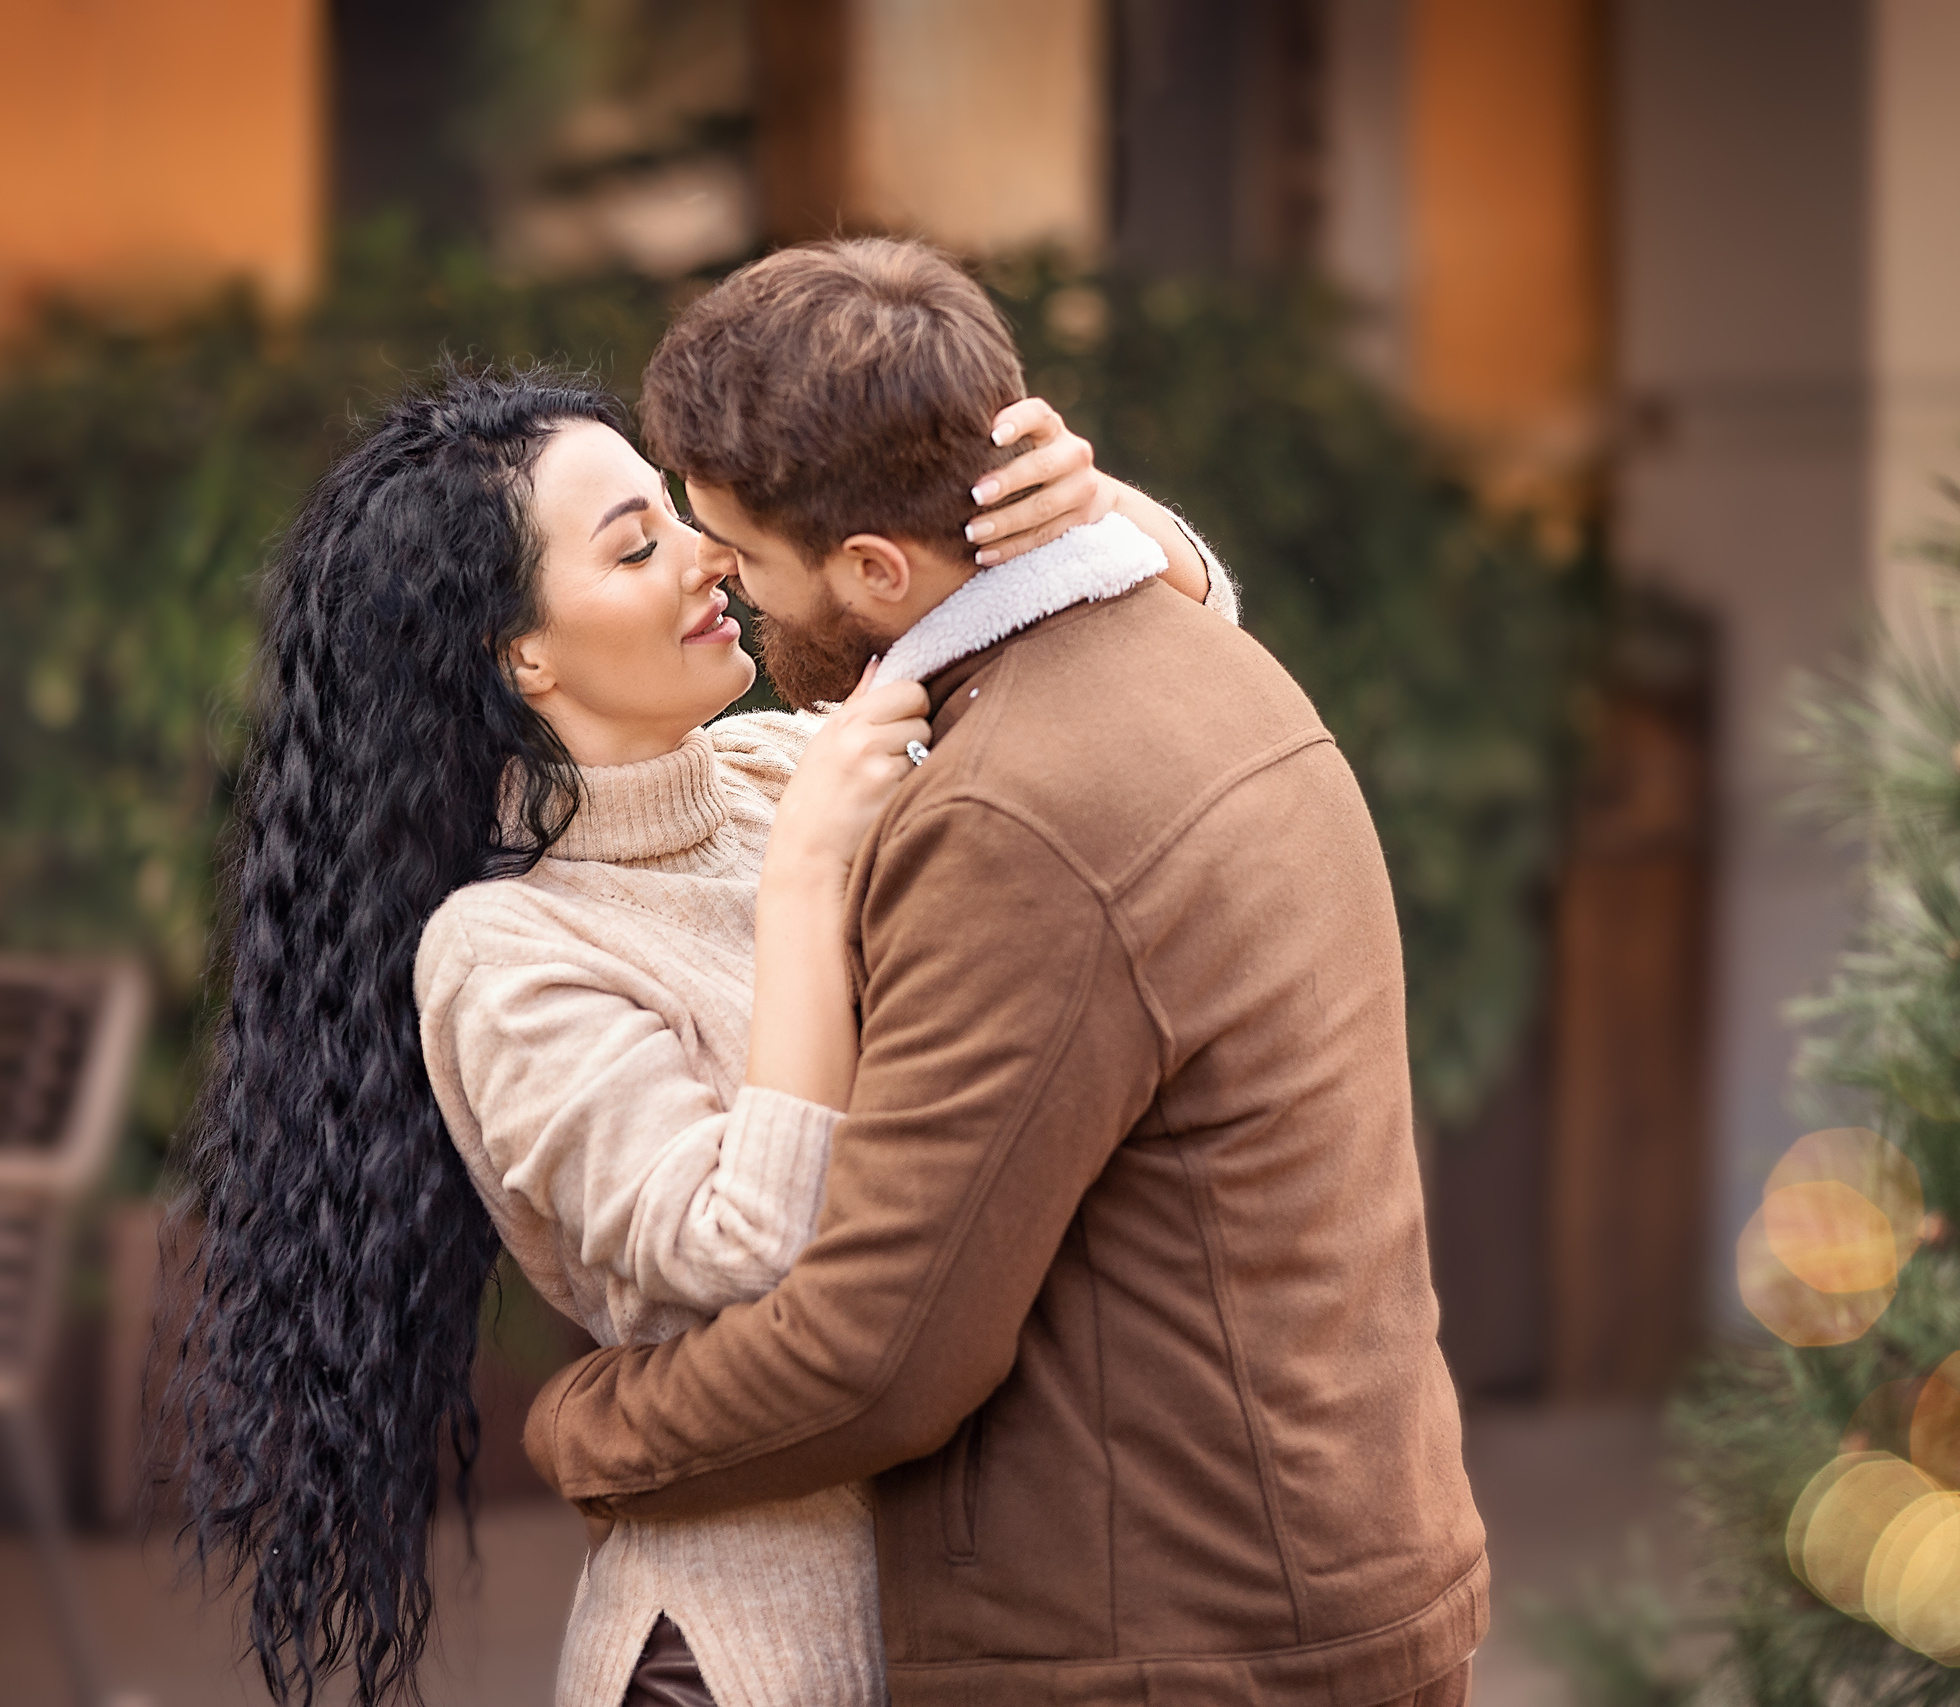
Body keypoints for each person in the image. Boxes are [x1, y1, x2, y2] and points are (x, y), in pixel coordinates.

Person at [170, 361, 1231, 1707]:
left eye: (681, 517)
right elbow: (747, 1259)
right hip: (747, 1656)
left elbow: (1159, 721)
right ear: (519, 656)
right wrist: (801, 888)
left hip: (983, 1620)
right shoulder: (505, 953)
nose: (709, 559)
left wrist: (1086, 513)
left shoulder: (790, 765)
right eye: (638, 546)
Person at [520, 239, 1489, 1707]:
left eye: (735, 545)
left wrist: (581, 1428)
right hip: (1323, 1582)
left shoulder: (1009, 814)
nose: (717, 575)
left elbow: (880, 1356)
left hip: (1173, 1641)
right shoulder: (1200, 655)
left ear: (872, 569)